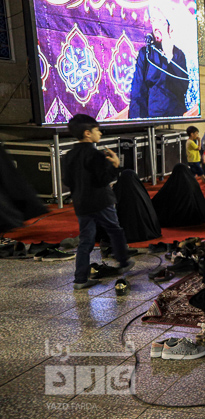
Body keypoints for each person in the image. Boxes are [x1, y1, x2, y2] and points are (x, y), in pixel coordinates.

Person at [62, 115, 134, 289]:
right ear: (87, 133)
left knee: (86, 240)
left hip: (81, 203)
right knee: (114, 230)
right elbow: (103, 180)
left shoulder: (68, 155)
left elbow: (67, 180)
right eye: (97, 130)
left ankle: (80, 279)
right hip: (101, 201)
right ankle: (123, 262)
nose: (100, 133)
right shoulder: (95, 154)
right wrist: (115, 165)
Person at [129, 0, 191, 119]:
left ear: (169, 27)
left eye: (160, 21)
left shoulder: (178, 55)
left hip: (175, 116)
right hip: (152, 117)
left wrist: (169, 55)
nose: (156, 26)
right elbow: (138, 92)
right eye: (153, 20)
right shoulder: (146, 54)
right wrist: (138, 122)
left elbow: (182, 87)